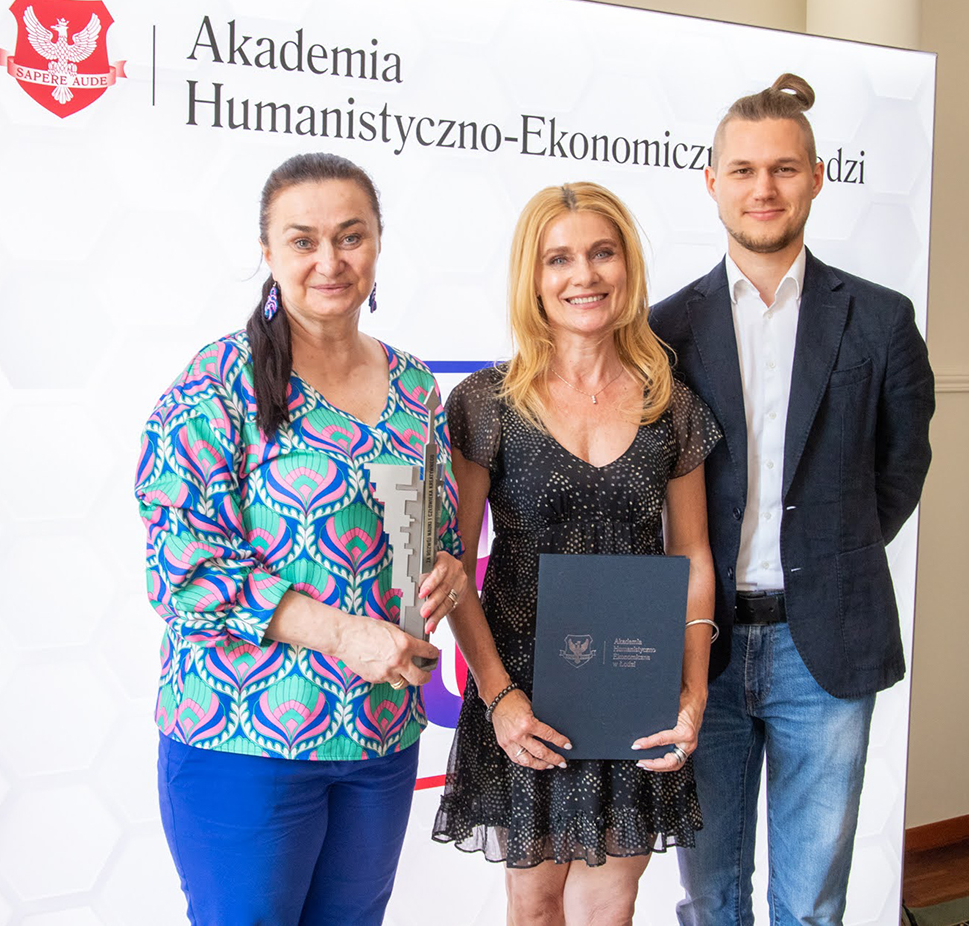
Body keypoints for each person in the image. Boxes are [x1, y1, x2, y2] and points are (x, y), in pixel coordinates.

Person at [135, 152, 471, 926]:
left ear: (378, 243)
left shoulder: (414, 385)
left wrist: (446, 570)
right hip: (243, 738)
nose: (330, 261)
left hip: (380, 738)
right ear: (268, 252)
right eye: (303, 240)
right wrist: (345, 635)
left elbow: (433, 530)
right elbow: (182, 569)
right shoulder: (217, 383)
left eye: (351, 237)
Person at [649, 74, 935, 926]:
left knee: (811, 904)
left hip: (829, 647)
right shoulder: (662, 332)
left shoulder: (881, 321)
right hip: (701, 646)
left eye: (782, 168)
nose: (763, 188)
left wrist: (831, 557)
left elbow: (902, 467)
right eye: (742, 170)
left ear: (816, 177)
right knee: (710, 896)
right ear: (712, 183)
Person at [433, 182, 721, 926]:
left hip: (634, 686)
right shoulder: (486, 403)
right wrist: (498, 697)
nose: (583, 275)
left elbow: (691, 555)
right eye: (558, 259)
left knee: (609, 906)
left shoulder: (670, 404)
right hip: (523, 696)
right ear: (532, 277)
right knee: (533, 907)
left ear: (628, 266)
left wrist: (691, 693)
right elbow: (452, 564)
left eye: (601, 253)